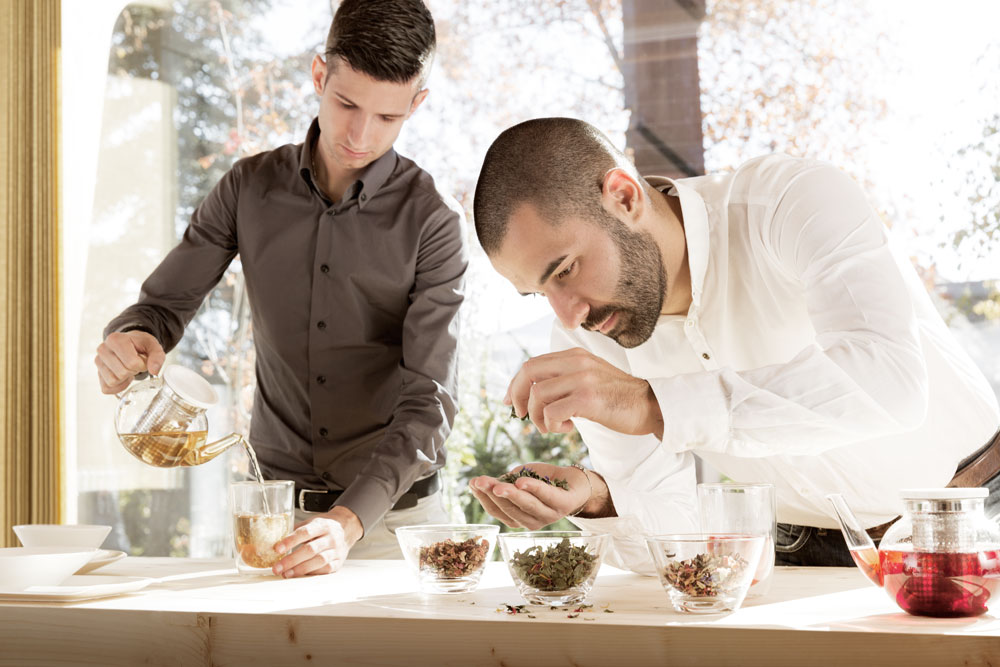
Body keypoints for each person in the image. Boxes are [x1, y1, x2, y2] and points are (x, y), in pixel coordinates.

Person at [468, 117, 1000, 573]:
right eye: (540, 293)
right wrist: (594, 497)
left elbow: (888, 384)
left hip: (981, 512)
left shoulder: (790, 201)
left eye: (565, 269)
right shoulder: (595, 330)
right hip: (805, 559)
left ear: (624, 197)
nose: (568, 314)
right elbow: (672, 531)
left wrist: (651, 403)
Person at [95, 0, 467, 576]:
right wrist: (132, 337)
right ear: (320, 76)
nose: (361, 135)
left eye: (388, 118)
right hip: (270, 518)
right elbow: (162, 307)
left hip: (392, 526)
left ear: (417, 104)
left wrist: (348, 522)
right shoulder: (247, 188)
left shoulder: (433, 224)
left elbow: (429, 401)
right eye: (346, 104)